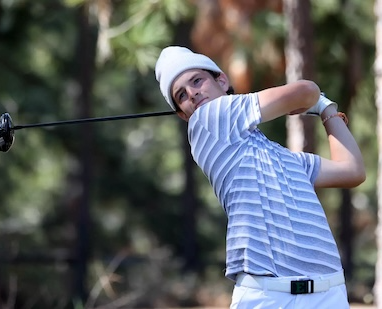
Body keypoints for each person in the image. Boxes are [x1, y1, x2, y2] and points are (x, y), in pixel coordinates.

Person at [154, 46, 365, 308]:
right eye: (182, 95)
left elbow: (352, 170)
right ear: (184, 115)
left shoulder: (284, 158)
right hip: (269, 296)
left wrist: (326, 109)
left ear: (221, 79)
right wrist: (311, 99)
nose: (193, 94)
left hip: (328, 292)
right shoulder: (208, 119)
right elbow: (306, 90)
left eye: (197, 81)